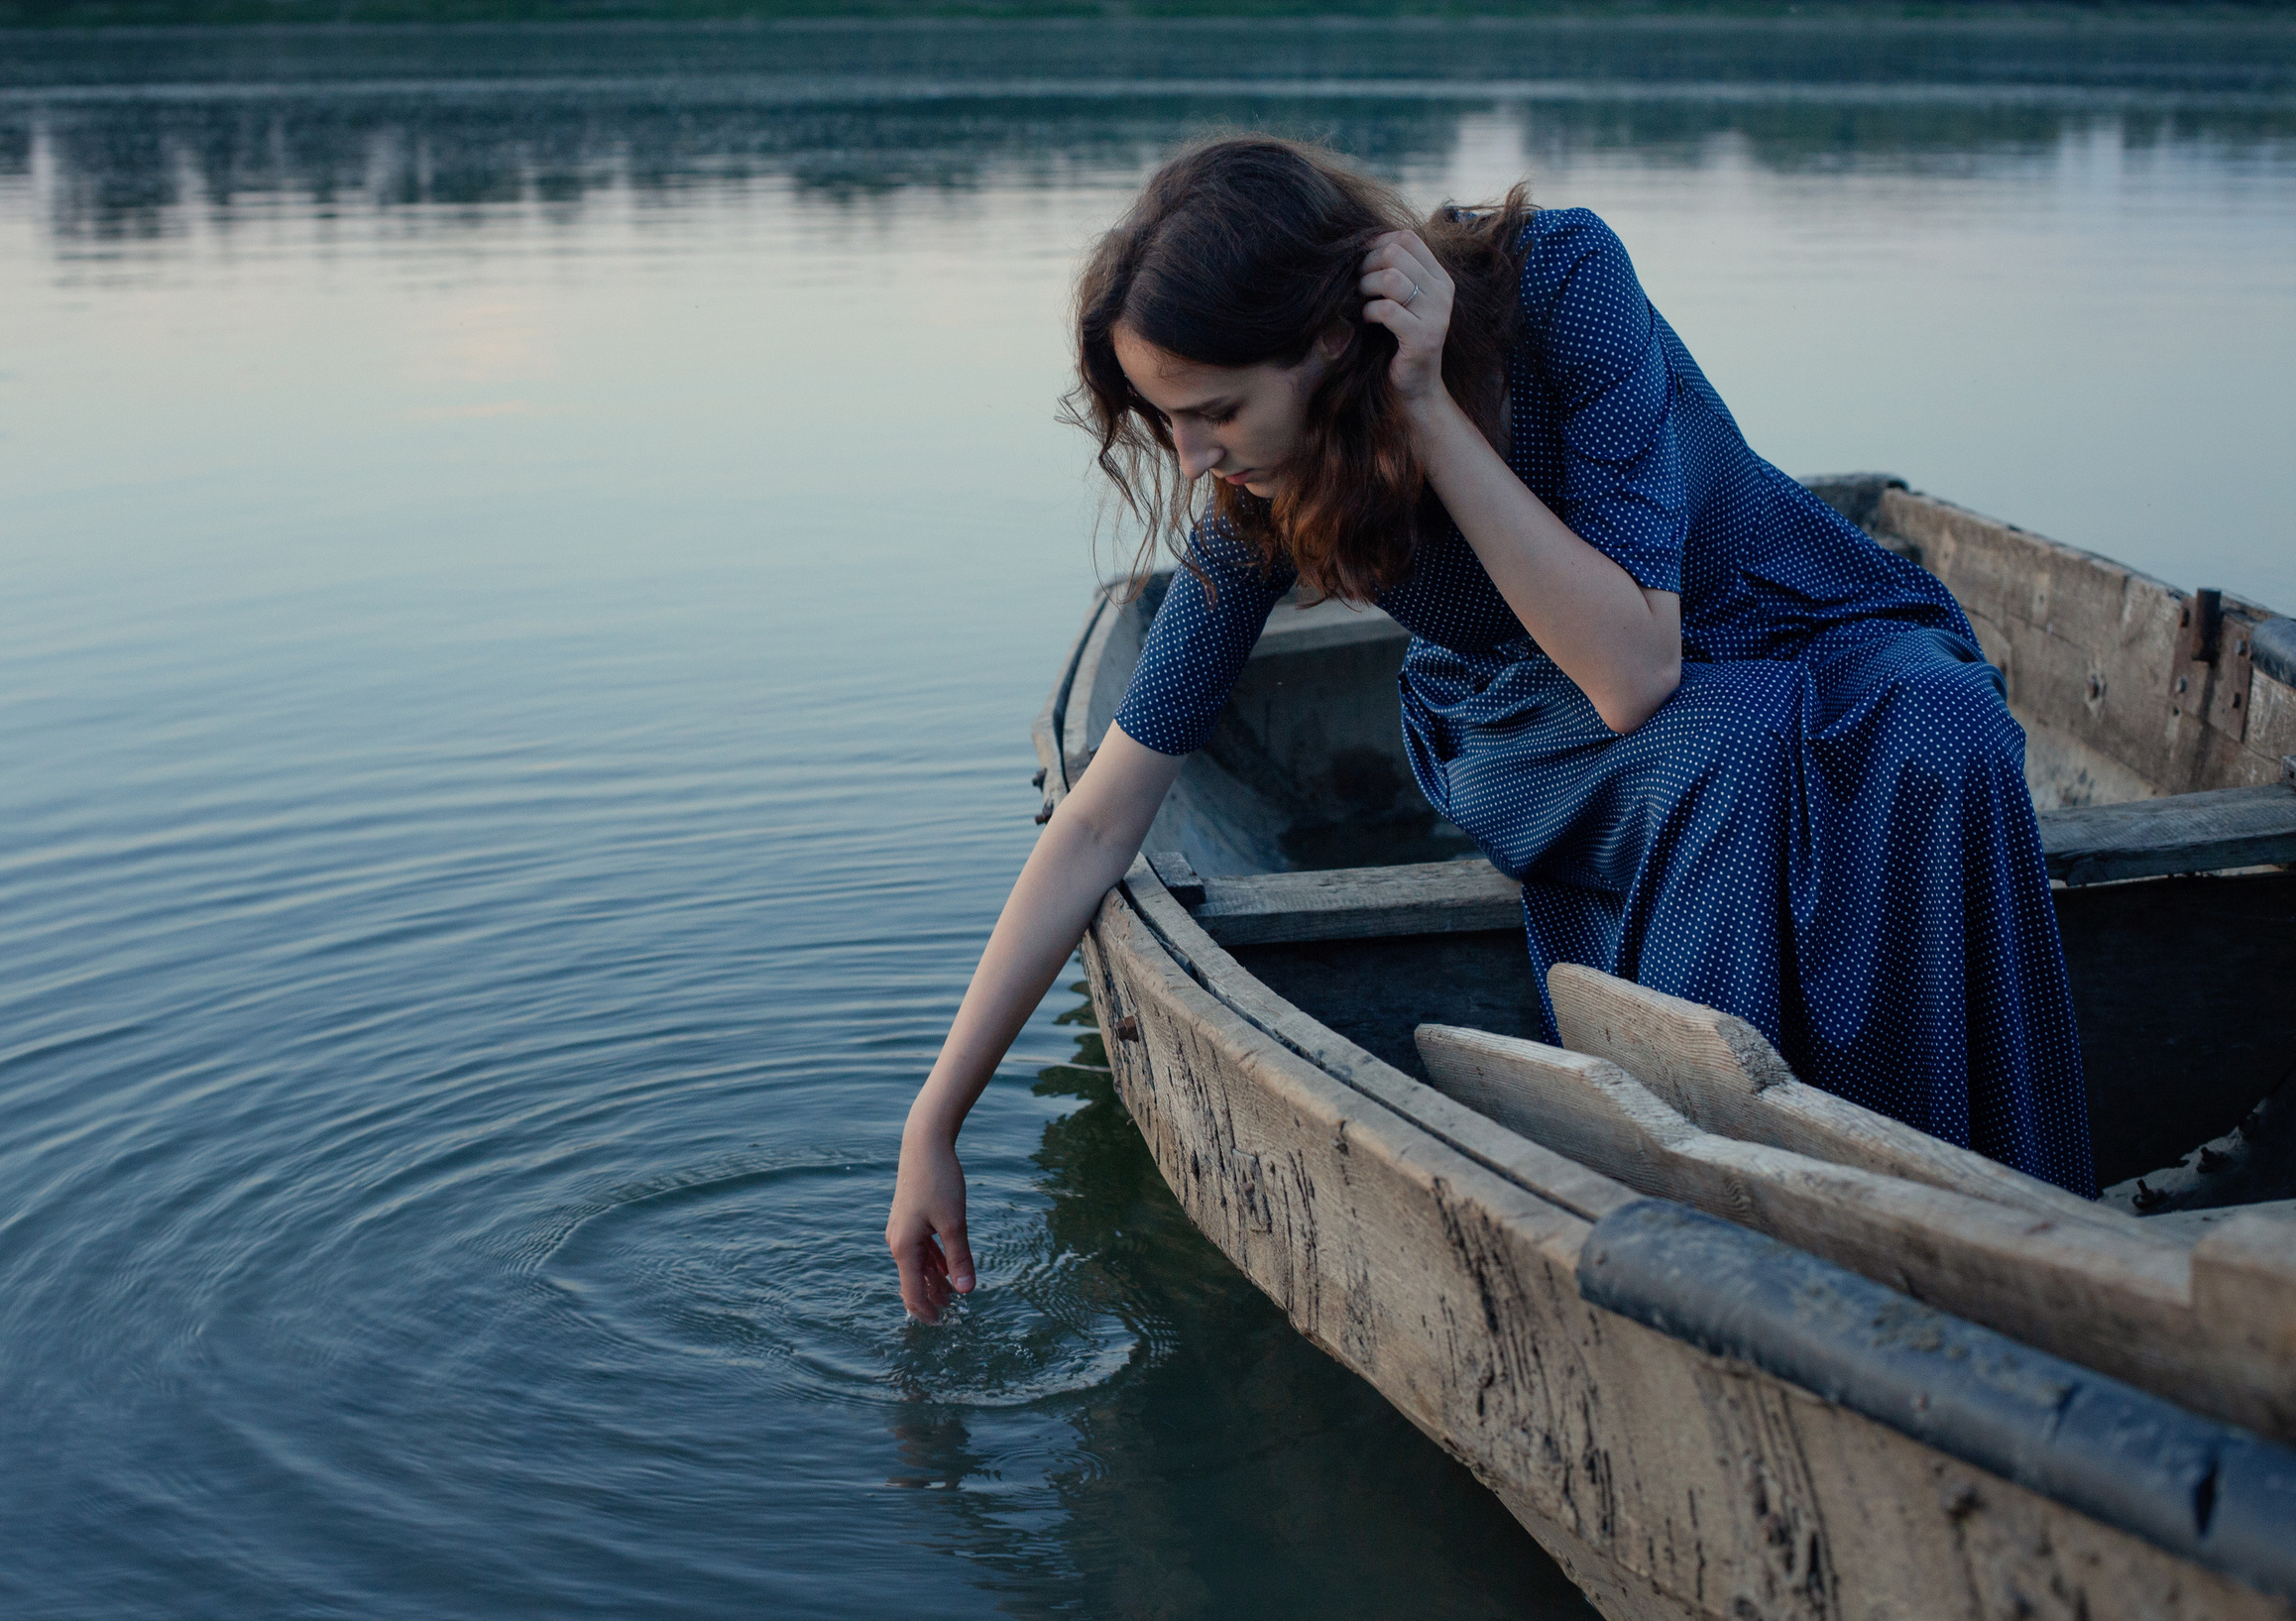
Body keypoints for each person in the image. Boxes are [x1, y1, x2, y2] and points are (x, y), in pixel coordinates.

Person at [886, 135, 2095, 1322]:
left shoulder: (1561, 279)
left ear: (1323, 339)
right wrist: (933, 1121)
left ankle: (1979, 1208)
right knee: (1723, 751)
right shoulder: (1260, 496)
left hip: (1789, 610)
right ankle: (1730, 1222)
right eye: (1167, 421)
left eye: (1213, 411)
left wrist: (1426, 404)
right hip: (1539, 718)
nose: (1194, 455)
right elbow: (1101, 816)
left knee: (1947, 730)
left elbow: (1635, 656)